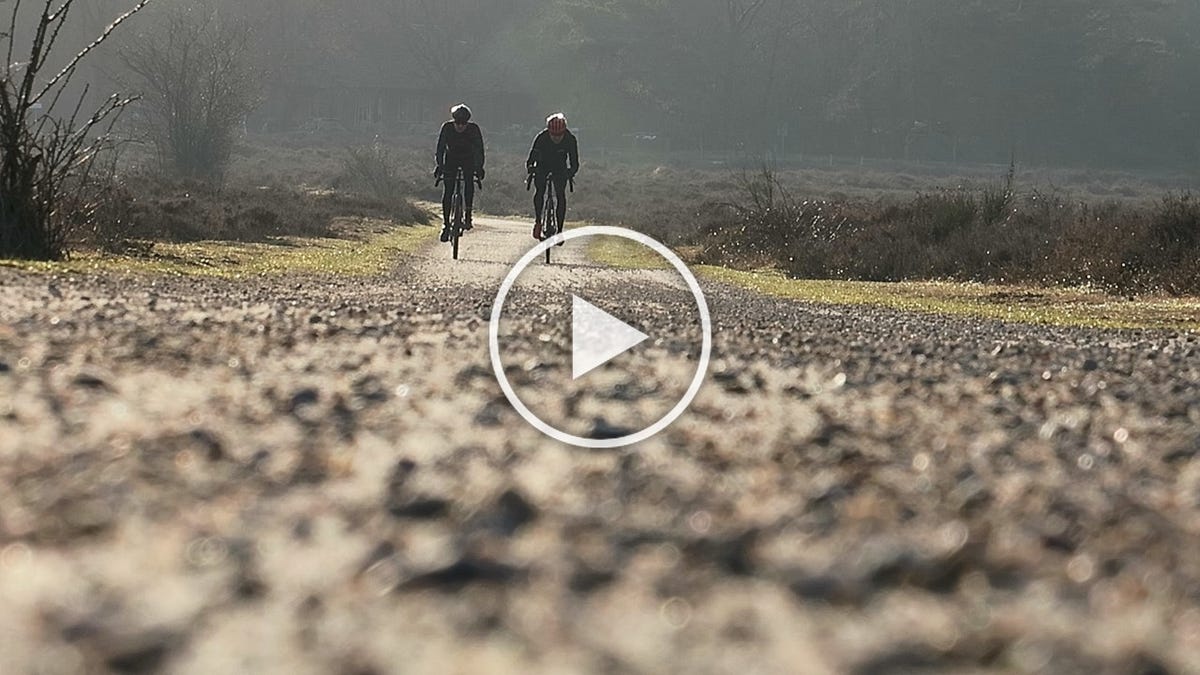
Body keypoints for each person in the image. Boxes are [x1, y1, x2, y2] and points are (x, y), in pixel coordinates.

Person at [434, 104, 485, 242]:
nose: (460, 126)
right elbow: (440, 148)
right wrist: (440, 165)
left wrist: (479, 167)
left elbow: (479, 149)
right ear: (453, 120)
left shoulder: (474, 129)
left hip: (468, 159)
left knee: (469, 182)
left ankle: (468, 214)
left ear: (467, 122)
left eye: (463, 123)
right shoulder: (447, 128)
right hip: (451, 159)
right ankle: (446, 224)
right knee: (448, 190)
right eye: (458, 123)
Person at [526, 113, 579, 240]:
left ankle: (560, 230)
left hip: (559, 168)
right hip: (542, 166)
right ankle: (538, 221)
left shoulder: (570, 139)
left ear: (564, 131)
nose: (556, 138)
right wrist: (531, 167)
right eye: (553, 135)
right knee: (540, 191)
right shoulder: (541, 137)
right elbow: (531, 158)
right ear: (548, 131)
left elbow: (574, 162)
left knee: (560, 195)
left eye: (559, 135)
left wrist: (570, 172)